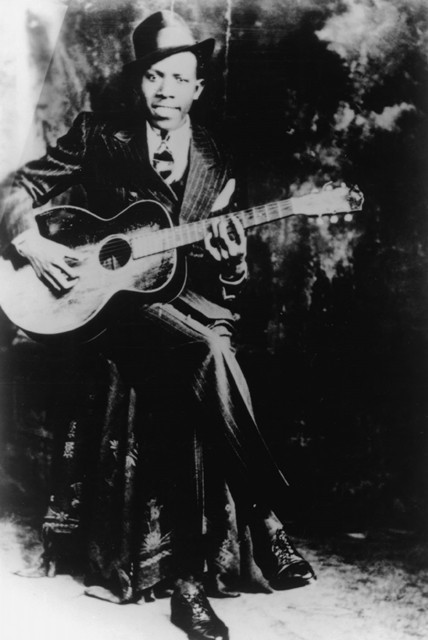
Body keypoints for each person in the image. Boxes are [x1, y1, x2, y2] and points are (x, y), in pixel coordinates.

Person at [0, 11, 315, 640]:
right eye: (154, 76)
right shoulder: (98, 134)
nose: (166, 89)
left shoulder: (217, 156)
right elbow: (14, 188)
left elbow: (225, 275)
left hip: (184, 304)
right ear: (138, 82)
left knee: (204, 346)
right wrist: (30, 240)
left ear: (198, 87)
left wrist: (232, 261)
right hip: (107, 310)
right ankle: (262, 519)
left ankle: (210, 563)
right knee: (207, 352)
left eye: (179, 77)